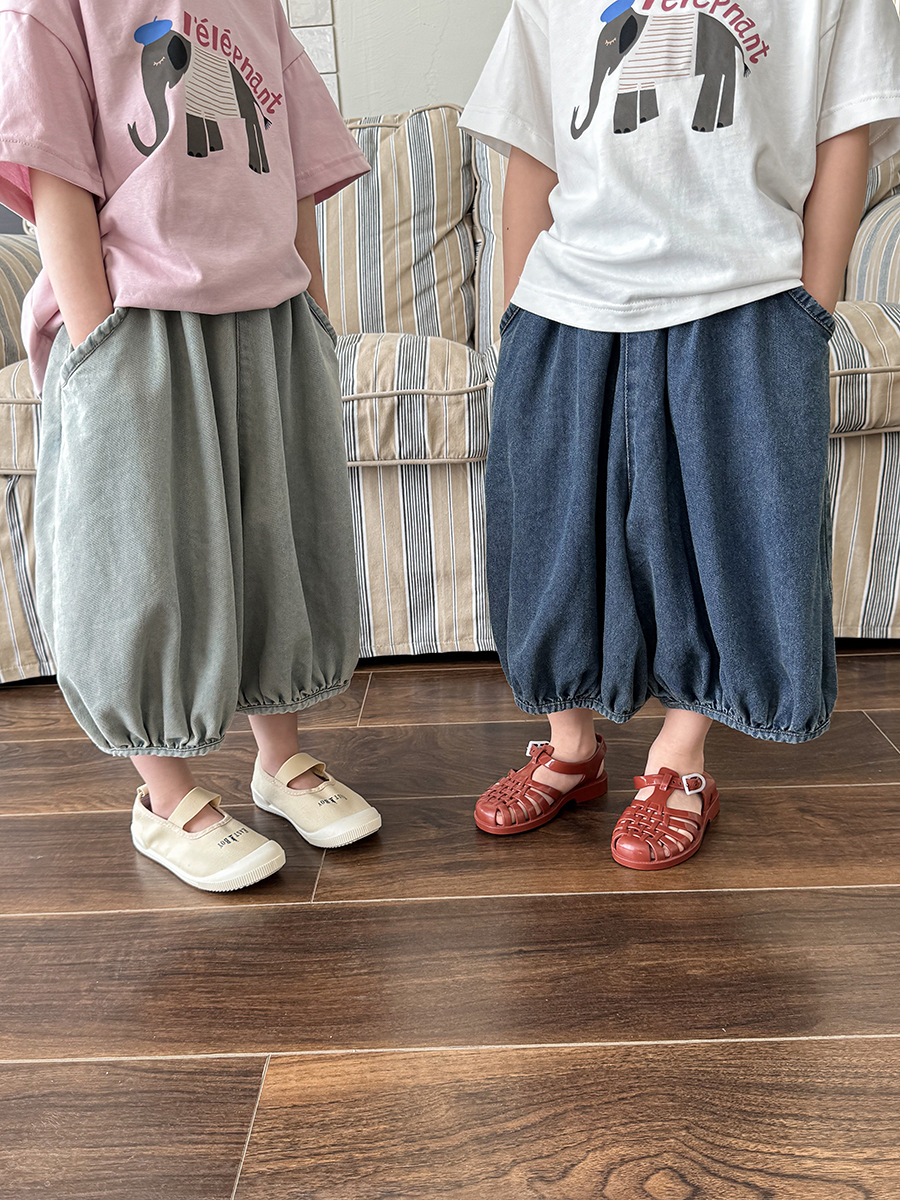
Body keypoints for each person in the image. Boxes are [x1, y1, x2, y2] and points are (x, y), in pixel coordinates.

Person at [460, 0, 900, 868]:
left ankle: (679, 757)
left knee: (722, 544)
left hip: (743, 293)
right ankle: (570, 746)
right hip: (566, 299)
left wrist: (811, 307)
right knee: (550, 535)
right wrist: (515, 312)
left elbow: (845, 131)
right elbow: (532, 143)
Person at [0, 0, 383, 892]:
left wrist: (313, 306)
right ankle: (165, 796)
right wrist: (96, 339)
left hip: (267, 309)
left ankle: (279, 760)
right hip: (139, 316)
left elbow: (294, 163)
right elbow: (55, 168)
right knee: (142, 557)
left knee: (275, 536)